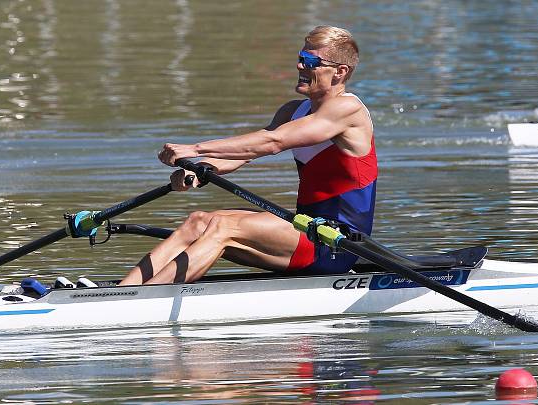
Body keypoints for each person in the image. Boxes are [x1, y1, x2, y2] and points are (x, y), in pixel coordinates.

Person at [119, 25, 376, 286]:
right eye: (300, 58)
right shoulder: (292, 111)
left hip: (336, 242)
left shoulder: (348, 109)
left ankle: (147, 299)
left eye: (310, 61)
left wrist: (195, 149)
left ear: (340, 72)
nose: (300, 66)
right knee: (197, 222)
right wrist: (199, 169)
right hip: (306, 227)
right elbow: (244, 154)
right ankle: (124, 291)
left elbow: (273, 142)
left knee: (223, 226)